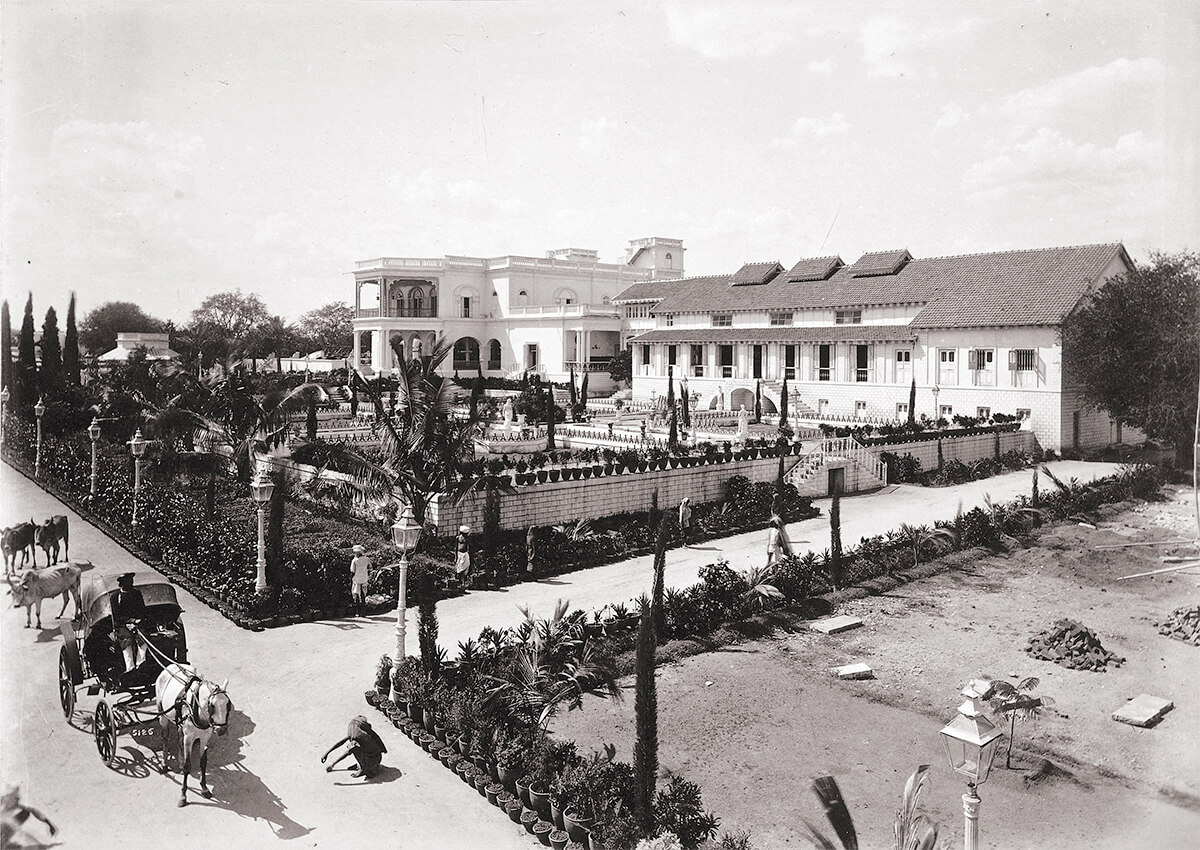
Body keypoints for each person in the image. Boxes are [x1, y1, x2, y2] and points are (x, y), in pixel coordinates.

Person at [321, 716, 387, 779]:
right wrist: (327, 753)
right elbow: (341, 742)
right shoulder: (357, 732)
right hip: (373, 756)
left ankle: (364, 769)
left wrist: (333, 764)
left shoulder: (359, 736)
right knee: (355, 746)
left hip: (373, 761)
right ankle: (362, 765)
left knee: (354, 747)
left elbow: (348, 752)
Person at [112, 572, 146, 674]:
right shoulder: (115, 597)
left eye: (131, 581)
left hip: (137, 623)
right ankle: (130, 669)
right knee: (127, 641)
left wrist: (136, 622)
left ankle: (141, 664)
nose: (131, 584)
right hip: (122, 625)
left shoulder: (137, 593)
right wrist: (129, 623)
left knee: (143, 638)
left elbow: (142, 610)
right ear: (121, 584)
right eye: (127, 582)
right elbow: (116, 616)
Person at [349, 545, 371, 616]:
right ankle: (363, 612)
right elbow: (370, 567)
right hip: (364, 578)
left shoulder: (354, 560)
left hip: (357, 579)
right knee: (363, 595)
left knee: (357, 594)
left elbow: (352, 570)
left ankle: (358, 612)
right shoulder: (367, 559)